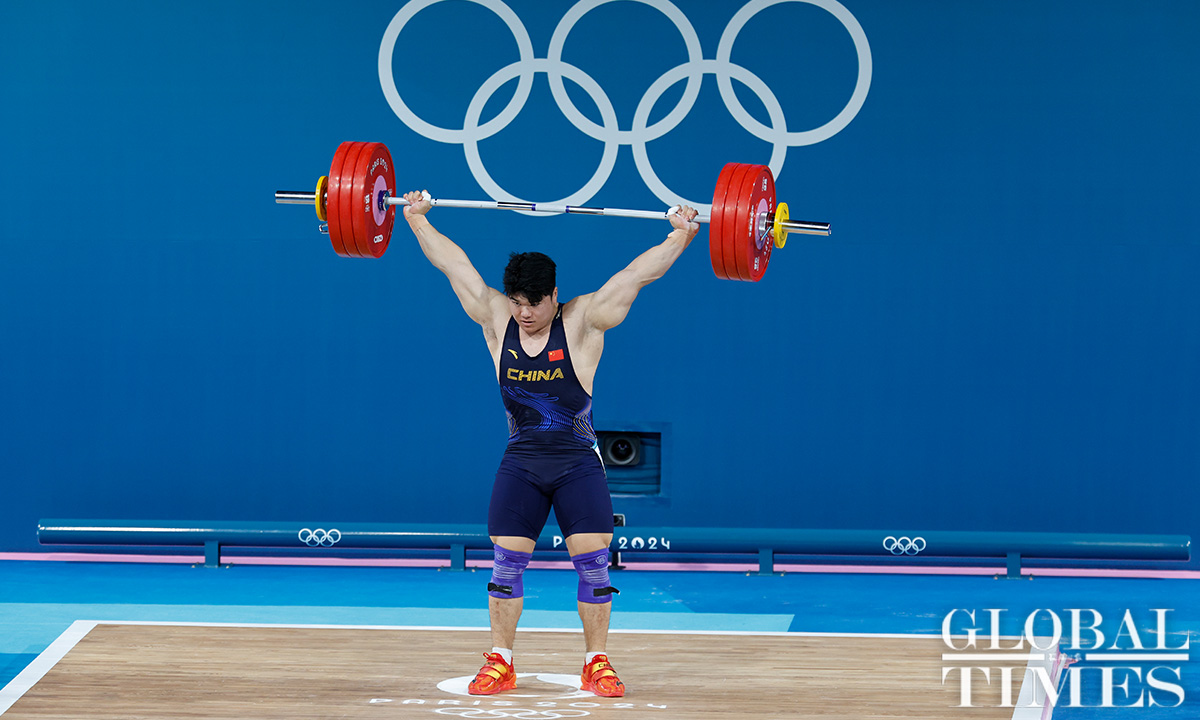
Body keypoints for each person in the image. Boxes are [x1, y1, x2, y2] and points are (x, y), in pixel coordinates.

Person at [401, 190, 700, 697]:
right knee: (505, 562)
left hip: (577, 463)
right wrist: (415, 218)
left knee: (594, 562)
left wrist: (682, 233)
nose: (523, 313)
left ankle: (597, 661)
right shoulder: (497, 319)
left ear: (553, 294)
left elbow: (636, 276)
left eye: (532, 303)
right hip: (522, 462)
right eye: (516, 302)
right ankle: (500, 660)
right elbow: (455, 267)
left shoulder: (582, 320)